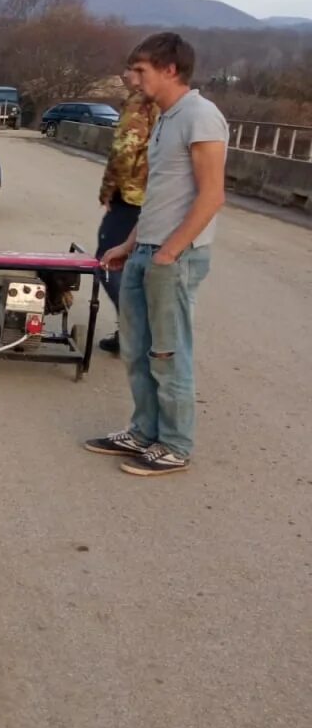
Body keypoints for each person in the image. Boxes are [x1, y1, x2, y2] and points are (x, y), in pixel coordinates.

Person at [84, 32, 227, 475]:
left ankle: (175, 444)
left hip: (174, 258)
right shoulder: (164, 117)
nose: (133, 78)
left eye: (141, 70)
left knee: (168, 353)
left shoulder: (200, 116)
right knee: (137, 348)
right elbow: (160, 195)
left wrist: (170, 252)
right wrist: (130, 245)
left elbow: (212, 195)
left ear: (170, 69)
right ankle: (144, 431)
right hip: (146, 248)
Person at [95, 69, 160, 355]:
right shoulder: (165, 105)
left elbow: (124, 150)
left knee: (109, 259)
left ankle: (134, 331)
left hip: (132, 195)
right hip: (156, 195)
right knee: (141, 264)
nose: (124, 74)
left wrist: (109, 188)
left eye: (133, 69)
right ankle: (133, 331)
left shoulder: (139, 103)